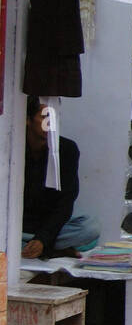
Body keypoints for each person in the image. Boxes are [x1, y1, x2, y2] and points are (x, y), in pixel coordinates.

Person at [22, 97, 99, 259]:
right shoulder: (11, 148)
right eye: (45, 116)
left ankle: (38, 248)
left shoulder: (67, 150)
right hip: (19, 225)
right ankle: (51, 250)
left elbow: (66, 201)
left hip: (51, 224)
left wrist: (43, 238)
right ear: (27, 120)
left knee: (89, 228)